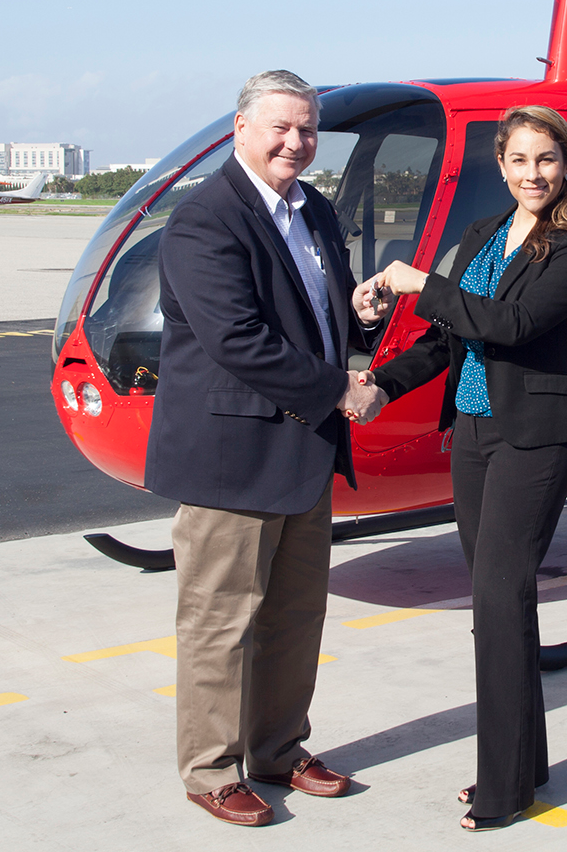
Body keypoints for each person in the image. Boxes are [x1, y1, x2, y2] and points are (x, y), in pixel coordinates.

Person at [144, 69, 389, 829]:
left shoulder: (311, 207)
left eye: (307, 129)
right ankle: (212, 770)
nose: (295, 141)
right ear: (241, 129)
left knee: (294, 616)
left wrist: (361, 315)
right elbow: (238, 341)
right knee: (220, 623)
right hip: (233, 454)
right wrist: (340, 389)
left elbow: (319, 311)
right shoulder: (205, 220)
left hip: (301, 450)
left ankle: (280, 749)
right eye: (280, 127)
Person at [363, 104, 567, 831]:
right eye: (520, 160)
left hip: (535, 439)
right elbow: (451, 339)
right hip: (473, 435)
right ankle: (523, 766)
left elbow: (514, 327)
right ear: (500, 165)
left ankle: (502, 789)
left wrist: (419, 281)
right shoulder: (483, 235)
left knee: (500, 602)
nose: (533, 174)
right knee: (499, 604)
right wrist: (382, 385)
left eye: (547, 160)